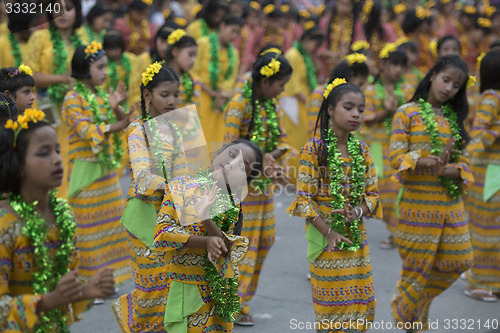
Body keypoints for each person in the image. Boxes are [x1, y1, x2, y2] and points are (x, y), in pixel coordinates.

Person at [0, 109, 115, 331]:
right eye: (43, 153)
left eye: (58, 150)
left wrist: (87, 290)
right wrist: (49, 301)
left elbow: (61, 290)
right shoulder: (5, 225)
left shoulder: (63, 215)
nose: (56, 160)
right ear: (18, 165)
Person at [288, 79, 382, 332]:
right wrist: (328, 232)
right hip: (325, 237)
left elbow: (372, 194)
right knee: (333, 307)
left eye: (361, 109)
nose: (356, 114)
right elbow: (304, 199)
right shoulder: (314, 150)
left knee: (364, 304)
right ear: (330, 110)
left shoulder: (363, 151)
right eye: (349, 107)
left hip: (356, 236)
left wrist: (358, 211)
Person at [390, 55, 474, 331]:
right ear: (432, 75)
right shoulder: (407, 112)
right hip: (418, 207)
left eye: (456, 86)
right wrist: (426, 161)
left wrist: (447, 170)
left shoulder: (455, 120)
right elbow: (397, 158)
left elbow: (463, 163)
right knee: (416, 270)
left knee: (460, 258)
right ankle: (411, 322)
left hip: (450, 202)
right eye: (446, 79)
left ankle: (414, 302)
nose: (449, 88)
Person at [151, 139, 263, 332]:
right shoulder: (181, 187)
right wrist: (204, 241)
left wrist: (205, 217)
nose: (232, 164)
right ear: (218, 152)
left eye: (242, 166)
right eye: (231, 154)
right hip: (185, 287)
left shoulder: (234, 205)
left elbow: (227, 250)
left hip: (218, 292)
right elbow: (162, 232)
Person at [113, 62, 188, 331]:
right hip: (144, 219)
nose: (172, 101)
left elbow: (183, 173)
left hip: (170, 219)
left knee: (169, 288)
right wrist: (173, 186)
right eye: (164, 95)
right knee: (150, 291)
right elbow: (143, 177)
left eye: (175, 95)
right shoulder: (137, 130)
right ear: (147, 96)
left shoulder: (177, 130)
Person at [222, 51, 292, 326]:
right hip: (242, 190)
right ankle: (233, 302)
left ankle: (242, 298)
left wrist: (275, 158)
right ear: (265, 83)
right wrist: (262, 160)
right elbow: (228, 149)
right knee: (243, 246)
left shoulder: (272, 106)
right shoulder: (239, 105)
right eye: (280, 85)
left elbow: (283, 140)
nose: (282, 91)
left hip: (264, 190)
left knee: (265, 241)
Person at [63, 43, 134, 302]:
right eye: (100, 67)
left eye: (106, 67)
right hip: (85, 174)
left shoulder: (102, 96)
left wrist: (116, 106)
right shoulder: (73, 99)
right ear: (84, 69)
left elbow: (122, 121)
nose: (106, 72)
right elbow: (88, 131)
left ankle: (107, 280)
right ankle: (90, 286)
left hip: (105, 173)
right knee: (88, 231)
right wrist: (119, 122)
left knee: (113, 227)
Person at [24, 0, 84, 198]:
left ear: (78, 11)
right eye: (57, 9)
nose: (62, 13)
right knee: (50, 159)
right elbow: (27, 74)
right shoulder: (40, 37)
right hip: (45, 109)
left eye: (68, 8)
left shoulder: (83, 39)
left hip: (76, 111)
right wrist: (62, 79)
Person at [362, 43, 410, 249]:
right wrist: (386, 112)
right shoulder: (371, 91)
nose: (397, 69)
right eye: (394, 64)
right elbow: (366, 118)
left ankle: (397, 233)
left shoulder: (406, 91)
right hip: (378, 150)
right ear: (384, 65)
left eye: (401, 65)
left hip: (399, 148)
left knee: (398, 191)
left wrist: (396, 110)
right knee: (381, 192)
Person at [463, 50, 500, 302]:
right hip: (489, 172)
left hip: (495, 171)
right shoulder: (490, 98)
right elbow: (478, 134)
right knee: (486, 229)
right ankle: (477, 282)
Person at [281, 24, 324, 183]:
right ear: (306, 39)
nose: (315, 49)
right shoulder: (293, 54)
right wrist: (312, 103)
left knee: (301, 139)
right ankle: (291, 176)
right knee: (295, 140)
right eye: (315, 44)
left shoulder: (304, 56)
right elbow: (293, 85)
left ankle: (300, 175)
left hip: (303, 101)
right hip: (294, 102)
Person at [191, 16, 242, 145]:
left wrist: (221, 94)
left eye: (237, 33)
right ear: (222, 25)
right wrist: (211, 92)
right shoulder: (203, 43)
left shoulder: (234, 53)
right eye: (232, 31)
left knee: (216, 139)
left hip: (220, 101)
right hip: (200, 95)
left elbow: (231, 78)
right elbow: (193, 70)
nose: (234, 36)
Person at [307, 52, 369, 138]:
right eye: (360, 84)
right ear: (351, 76)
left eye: (361, 110)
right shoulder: (320, 94)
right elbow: (313, 129)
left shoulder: (360, 148)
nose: (361, 89)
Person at [165, 29, 202, 108]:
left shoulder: (194, 81)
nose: (193, 60)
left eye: (195, 56)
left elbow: (194, 114)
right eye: (190, 54)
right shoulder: (158, 76)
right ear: (175, 51)